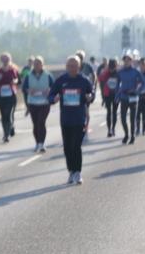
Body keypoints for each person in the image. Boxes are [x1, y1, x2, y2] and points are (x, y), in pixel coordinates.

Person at [49, 56, 95, 185]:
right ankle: (71, 171)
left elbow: (92, 92)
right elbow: (50, 96)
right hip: (66, 119)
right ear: (66, 67)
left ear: (79, 67)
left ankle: (78, 172)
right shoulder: (61, 80)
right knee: (67, 147)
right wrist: (54, 99)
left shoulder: (84, 80)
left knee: (76, 146)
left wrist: (90, 97)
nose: (72, 68)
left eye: (75, 66)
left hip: (79, 118)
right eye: (70, 66)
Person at [22, 56, 53, 153]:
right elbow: (24, 88)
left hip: (44, 103)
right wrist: (29, 90)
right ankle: (37, 143)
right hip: (33, 102)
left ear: (42, 65)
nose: (36, 66)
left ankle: (41, 144)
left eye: (39, 64)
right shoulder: (28, 76)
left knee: (41, 122)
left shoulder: (48, 75)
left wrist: (49, 91)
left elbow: (55, 87)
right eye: (35, 64)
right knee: (35, 124)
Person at [116, 54, 145, 145]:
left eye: (128, 60)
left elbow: (143, 83)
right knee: (123, 118)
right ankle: (126, 135)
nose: (126, 62)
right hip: (124, 97)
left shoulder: (136, 72)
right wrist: (117, 97)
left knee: (132, 118)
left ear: (131, 61)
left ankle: (132, 136)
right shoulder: (120, 72)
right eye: (125, 60)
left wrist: (137, 91)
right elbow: (117, 85)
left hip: (133, 97)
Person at [0, 53, 19, 142]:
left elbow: (19, 80)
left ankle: (9, 130)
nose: (5, 61)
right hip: (1, 96)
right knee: (3, 115)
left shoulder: (13, 70)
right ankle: (5, 133)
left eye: (6, 60)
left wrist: (15, 81)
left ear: (9, 60)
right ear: (1, 61)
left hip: (11, 95)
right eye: (3, 60)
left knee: (8, 114)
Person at [99, 58, 120, 137]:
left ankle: (113, 129)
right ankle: (109, 130)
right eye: (110, 68)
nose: (111, 70)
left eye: (113, 68)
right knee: (108, 112)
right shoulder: (104, 74)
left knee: (114, 112)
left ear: (116, 67)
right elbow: (101, 85)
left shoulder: (118, 73)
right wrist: (103, 97)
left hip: (115, 95)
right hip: (107, 95)